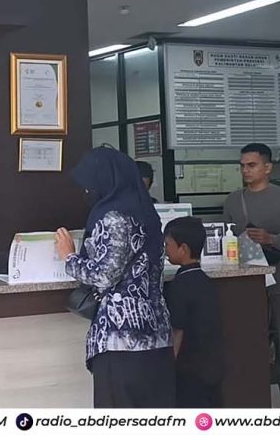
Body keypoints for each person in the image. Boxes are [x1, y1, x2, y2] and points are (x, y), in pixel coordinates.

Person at [55, 146, 174, 408]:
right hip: (157, 333)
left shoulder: (114, 217)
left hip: (121, 337)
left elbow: (104, 275)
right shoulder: (147, 214)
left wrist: (69, 256)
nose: (87, 192)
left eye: (90, 185)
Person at [223, 143, 280, 408]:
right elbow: (225, 237)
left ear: (268, 167)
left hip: (279, 278)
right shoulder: (233, 200)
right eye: (242, 166)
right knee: (246, 338)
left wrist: (272, 239)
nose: (246, 170)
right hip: (244, 281)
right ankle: (249, 393)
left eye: (252, 165)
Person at [163, 216, 224, 408]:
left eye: (167, 245)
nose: (165, 250)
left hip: (189, 367)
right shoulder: (206, 282)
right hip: (212, 363)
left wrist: (168, 365)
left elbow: (177, 330)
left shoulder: (180, 285)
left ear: (183, 249)